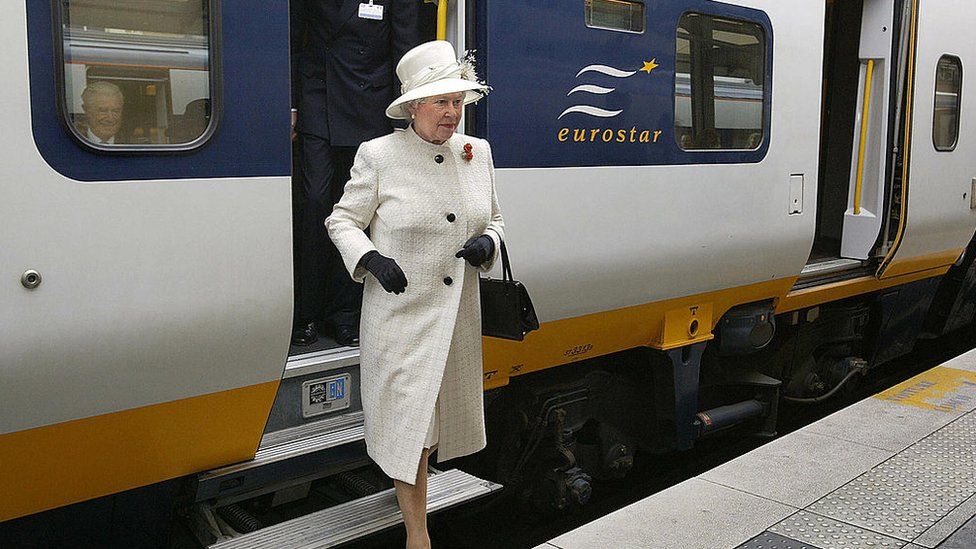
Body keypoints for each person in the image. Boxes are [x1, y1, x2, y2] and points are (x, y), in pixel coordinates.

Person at [326, 41, 502, 549]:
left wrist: (487, 241)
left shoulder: (478, 153)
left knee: (428, 428)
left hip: (454, 320)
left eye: (457, 101)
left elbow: (496, 219)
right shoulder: (378, 155)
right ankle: (417, 534)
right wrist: (372, 261)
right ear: (413, 106)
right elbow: (341, 220)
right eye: (441, 101)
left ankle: (412, 505)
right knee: (413, 431)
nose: (452, 113)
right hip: (400, 319)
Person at [290, 0, 420, 347]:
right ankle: (305, 312)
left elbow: (403, 47)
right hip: (317, 98)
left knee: (358, 214)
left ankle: (343, 313)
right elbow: (293, 37)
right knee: (315, 203)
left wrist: (401, 120)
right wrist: (288, 102)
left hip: (369, 105)